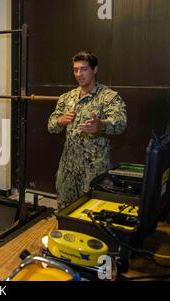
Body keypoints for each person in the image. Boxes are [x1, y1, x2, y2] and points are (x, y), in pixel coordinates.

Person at [48, 51, 127, 210]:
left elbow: (121, 123)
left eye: (84, 69)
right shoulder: (67, 98)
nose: (79, 74)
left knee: (91, 211)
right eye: (76, 69)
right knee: (65, 209)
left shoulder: (108, 97)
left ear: (95, 70)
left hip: (94, 169)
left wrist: (101, 125)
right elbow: (51, 126)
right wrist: (61, 121)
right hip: (68, 168)